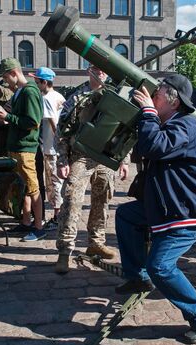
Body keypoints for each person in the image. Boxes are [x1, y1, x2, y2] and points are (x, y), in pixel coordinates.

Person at [115, 74, 196, 344]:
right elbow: (143, 150)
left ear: (173, 101)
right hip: (167, 207)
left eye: (157, 93)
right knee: (126, 216)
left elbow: (155, 147)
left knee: (161, 266)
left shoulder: (186, 125)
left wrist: (148, 113)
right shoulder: (168, 123)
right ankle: (138, 277)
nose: (151, 96)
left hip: (186, 213)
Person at [53, 65, 129, 274]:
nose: (102, 72)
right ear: (89, 71)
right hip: (81, 155)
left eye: (103, 68)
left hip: (105, 157)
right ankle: (65, 250)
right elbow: (62, 130)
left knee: (103, 199)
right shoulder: (78, 96)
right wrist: (62, 160)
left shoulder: (114, 95)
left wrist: (124, 160)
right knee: (72, 199)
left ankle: (96, 242)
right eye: (97, 68)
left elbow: (126, 129)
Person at [0, 58, 46, 241]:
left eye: (6, 77)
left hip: (25, 149)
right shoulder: (21, 92)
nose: (5, 82)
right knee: (25, 188)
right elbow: (22, 119)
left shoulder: (29, 92)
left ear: (14, 73)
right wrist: (7, 119)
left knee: (33, 188)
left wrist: (8, 116)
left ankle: (38, 226)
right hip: (19, 147)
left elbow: (32, 122)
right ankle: (26, 222)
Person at [29, 67, 66, 230]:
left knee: (53, 183)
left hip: (51, 148)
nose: (36, 84)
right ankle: (59, 215)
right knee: (56, 181)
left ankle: (58, 217)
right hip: (55, 147)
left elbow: (53, 123)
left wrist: (58, 143)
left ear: (45, 82)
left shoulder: (46, 98)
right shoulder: (58, 95)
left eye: (37, 82)